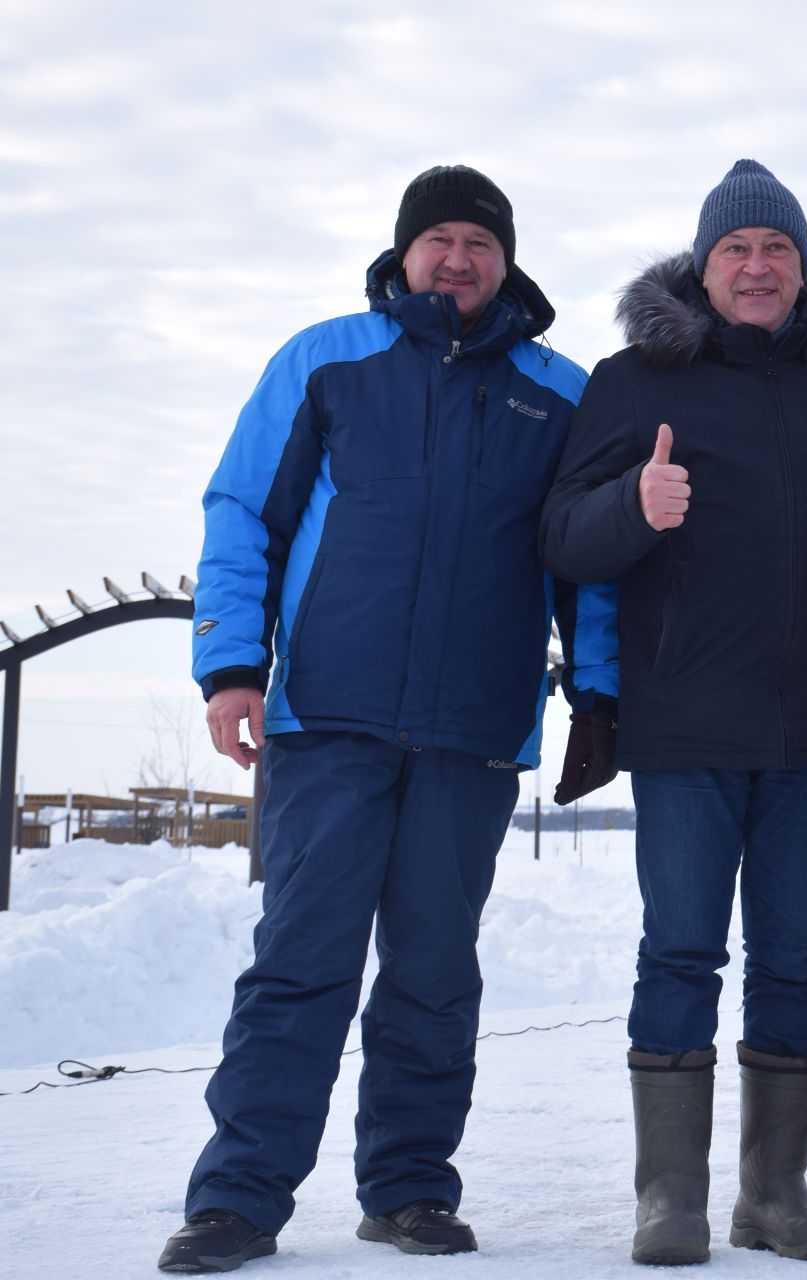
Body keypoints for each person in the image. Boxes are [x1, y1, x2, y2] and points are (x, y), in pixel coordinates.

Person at [165, 165, 600, 1273]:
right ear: (403, 251)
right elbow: (242, 510)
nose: (459, 259)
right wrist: (230, 665)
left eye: (481, 243)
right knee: (301, 960)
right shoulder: (324, 360)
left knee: (434, 969)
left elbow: (589, 570)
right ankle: (238, 1197)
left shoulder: (560, 391)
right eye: (439, 238)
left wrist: (597, 691)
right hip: (329, 717)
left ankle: (408, 1185)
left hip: (473, 729)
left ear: (509, 259)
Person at [539, 159, 807, 1267]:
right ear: (703, 266)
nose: (757, 267)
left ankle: (777, 1190)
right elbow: (562, 537)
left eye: (777, 251)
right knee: (679, 950)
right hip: (684, 728)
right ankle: (669, 1196)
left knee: (799, 956)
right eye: (736, 250)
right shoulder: (633, 380)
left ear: (802, 269)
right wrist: (635, 503)